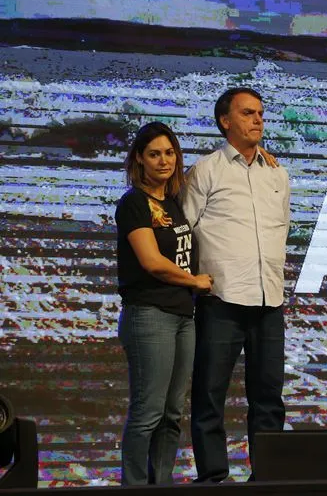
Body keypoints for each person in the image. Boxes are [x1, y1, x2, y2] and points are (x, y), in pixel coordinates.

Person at [182, 87, 290, 482]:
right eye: (248, 113)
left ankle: (270, 477)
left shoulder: (277, 172)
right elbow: (184, 230)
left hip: (269, 299)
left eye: (260, 112)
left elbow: (282, 229)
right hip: (221, 300)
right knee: (210, 395)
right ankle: (213, 476)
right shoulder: (206, 170)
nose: (258, 119)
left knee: (268, 398)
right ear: (225, 121)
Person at [115, 121, 213, 485]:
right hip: (149, 316)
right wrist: (194, 281)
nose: (163, 161)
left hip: (182, 316)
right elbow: (151, 262)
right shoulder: (133, 203)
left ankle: (162, 485)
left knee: (172, 413)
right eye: (154, 154)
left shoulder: (172, 201)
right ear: (139, 159)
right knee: (148, 412)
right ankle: (135, 486)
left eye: (169, 153)